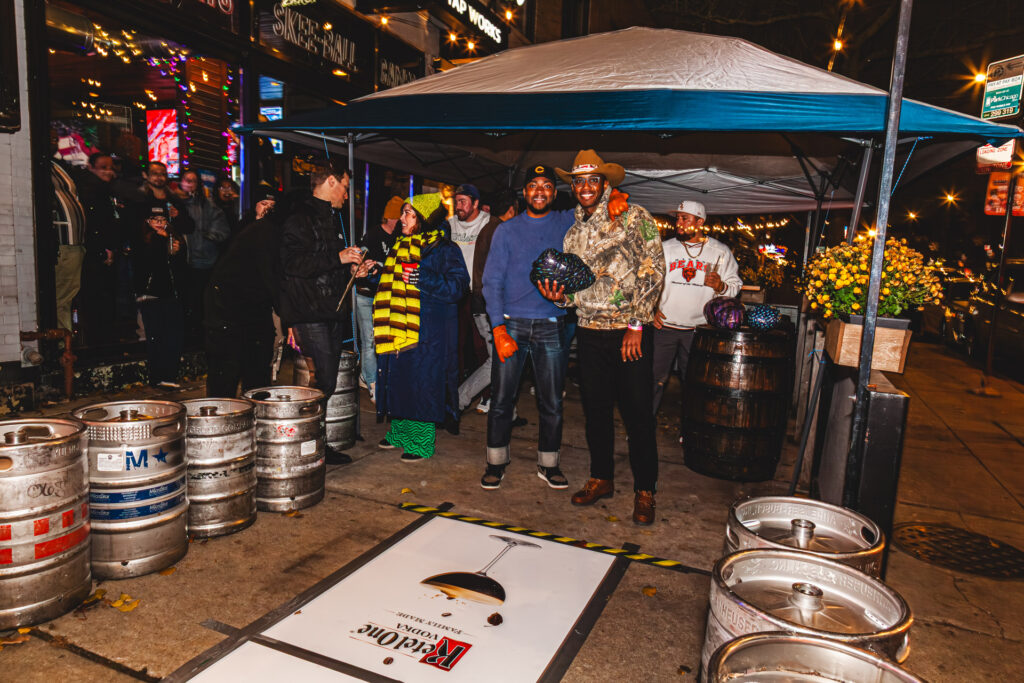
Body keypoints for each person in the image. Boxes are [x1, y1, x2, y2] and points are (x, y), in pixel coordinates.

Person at [539, 149, 665, 525]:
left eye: (592, 180)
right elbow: (575, 288)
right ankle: (601, 478)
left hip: (628, 332)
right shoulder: (572, 233)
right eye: (579, 181)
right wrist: (560, 298)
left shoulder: (633, 216)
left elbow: (653, 269)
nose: (585, 187)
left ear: (604, 183)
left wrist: (637, 324)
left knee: (638, 414)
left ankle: (645, 490)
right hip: (589, 332)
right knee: (596, 413)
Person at [479, 166, 576, 490]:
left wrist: (613, 196)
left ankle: (549, 463)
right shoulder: (506, 231)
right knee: (501, 399)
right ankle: (495, 462)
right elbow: (491, 282)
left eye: (547, 185)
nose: (539, 191)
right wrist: (498, 329)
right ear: (524, 193)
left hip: (552, 324)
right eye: (533, 185)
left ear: (554, 193)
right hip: (512, 325)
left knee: (552, 402)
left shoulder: (566, 223)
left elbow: (594, 208)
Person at [371, 194, 470, 462]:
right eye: (403, 212)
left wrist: (423, 277)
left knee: (421, 384)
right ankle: (400, 433)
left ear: (424, 219)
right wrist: (373, 273)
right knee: (399, 380)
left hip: (428, 331)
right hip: (398, 325)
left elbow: (458, 287)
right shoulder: (401, 245)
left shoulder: (444, 249)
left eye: (408, 213)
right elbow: (393, 282)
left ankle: (420, 441)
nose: (401, 218)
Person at [278, 158, 363, 465]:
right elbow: (292, 264)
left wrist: (352, 269)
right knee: (323, 382)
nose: (347, 195)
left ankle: (312, 444)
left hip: (331, 310)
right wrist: (338, 258)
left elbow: (328, 263)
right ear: (331, 181)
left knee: (327, 381)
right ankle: (306, 443)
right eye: (345, 187)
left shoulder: (333, 218)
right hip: (309, 311)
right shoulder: (299, 217)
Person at [652, 200, 742, 414]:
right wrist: (651, 309)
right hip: (664, 327)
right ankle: (645, 425)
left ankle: (691, 426)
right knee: (654, 380)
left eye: (685, 218)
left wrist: (721, 286)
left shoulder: (719, 251)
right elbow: (648, 283)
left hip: (698, 330)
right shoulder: (665, 248)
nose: (679, 223)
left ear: (700, 222)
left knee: (694, 383)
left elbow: (735, 285)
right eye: (678, 218)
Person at [204, 185, 284, 397]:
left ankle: (255, 404)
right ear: (255, 205)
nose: (267, 209)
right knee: (228, 366)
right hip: (230, 308)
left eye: (272, 205)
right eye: (264, 204)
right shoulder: (246, 229)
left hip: (256, 306)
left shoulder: (270, 231)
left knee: (257, 363)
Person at [458, 190, 520, 414]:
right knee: (497, 360)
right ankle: (458, 399)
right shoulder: (499, 230)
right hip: (489, 306)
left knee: (505, 359)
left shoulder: (490, 228)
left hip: (484, 304)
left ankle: (508, 411)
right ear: (512, 210)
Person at [355, 194, 403, 401]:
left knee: (383, 341)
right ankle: (373, 384)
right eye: (400, 215)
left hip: (386, 297)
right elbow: (360, 259)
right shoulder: (374, 235)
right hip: (366, 295)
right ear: (392, 217)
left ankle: (366, 376)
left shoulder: (399, 237)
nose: (402, 220)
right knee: (369, 341)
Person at [132, 203, 187, 388]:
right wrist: (160, 241)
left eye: (162, 219)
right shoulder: (142, 238)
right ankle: (157, 377)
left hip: (171, 293)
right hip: (150, 294)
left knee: (174, 336)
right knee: (156, 336)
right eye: (155, 219)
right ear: (148, 221)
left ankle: (169, 376)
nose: (159, 223)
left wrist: (177, 251)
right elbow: (147, 262)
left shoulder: (173, 237)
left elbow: (180, 266)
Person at [176, 169, 230, 340]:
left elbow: (222, 231)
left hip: (203, 260)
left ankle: (197, 335)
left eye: (192, 180)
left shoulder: (208, 205)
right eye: (186, 180)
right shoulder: (173, 202)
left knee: (199, 300)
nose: (189, 184)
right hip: (180, 260)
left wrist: (205, 237)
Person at [50, 159, 86, 333]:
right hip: (61, 244)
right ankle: (62, 342)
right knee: (61, 298)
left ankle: (64, 340)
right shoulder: (39, 164)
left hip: (73, 243)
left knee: (66, 296)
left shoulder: (55, 165)